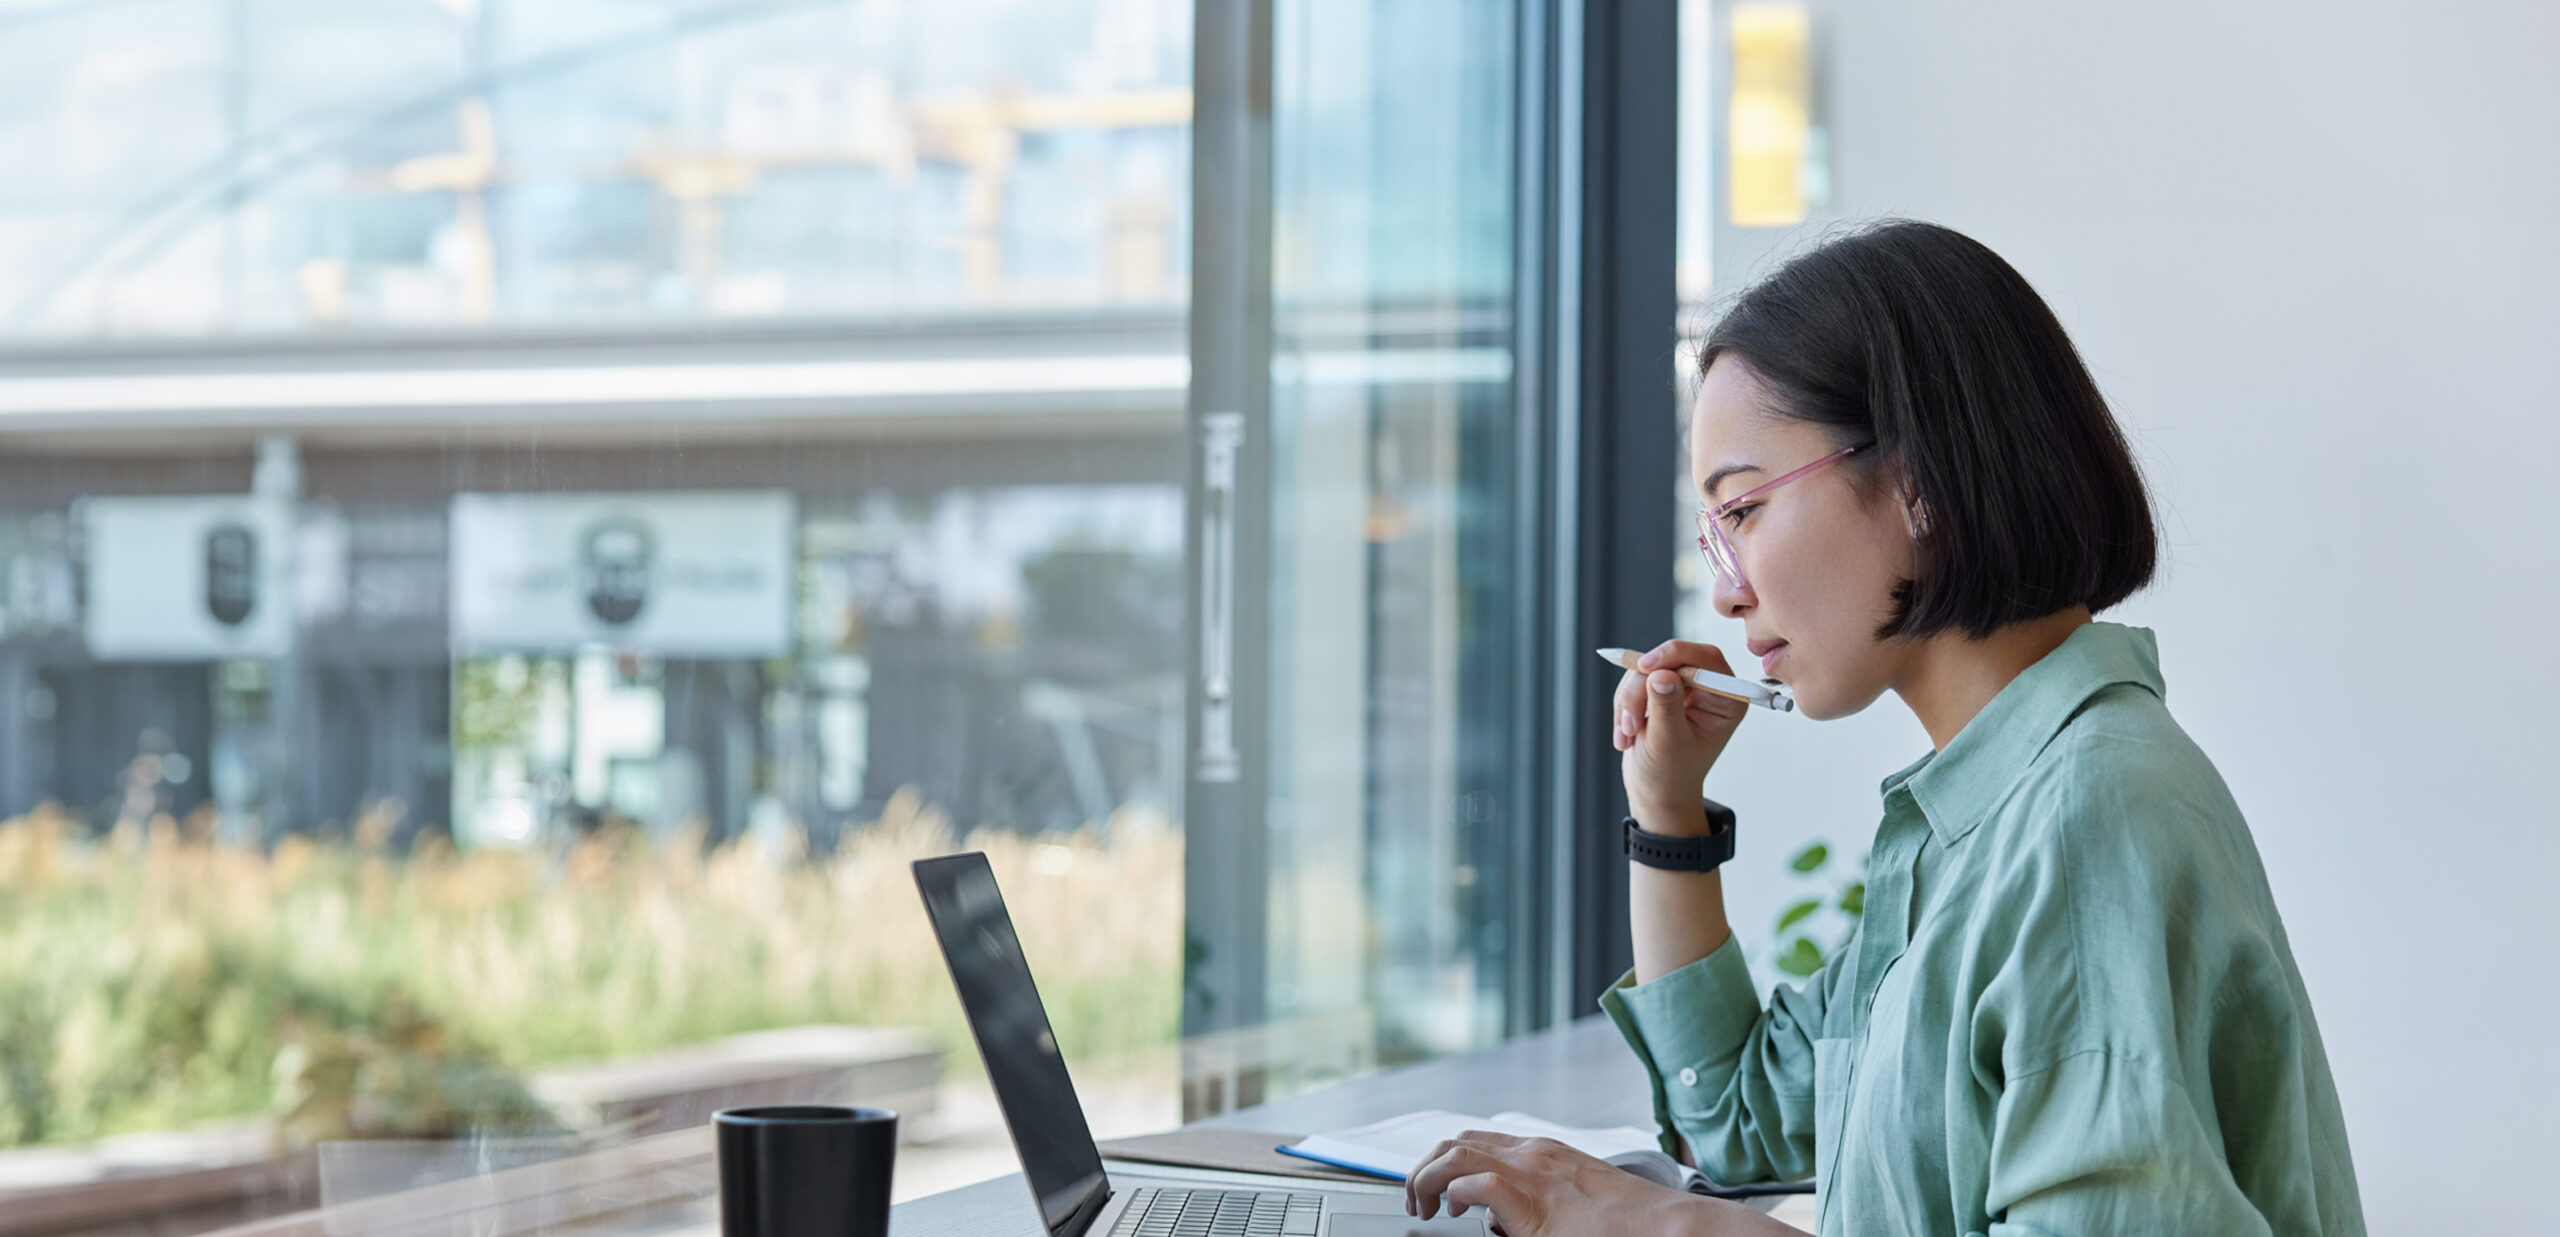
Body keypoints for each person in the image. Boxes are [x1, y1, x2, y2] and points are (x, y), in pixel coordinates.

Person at [1403, 221, 2364, 1235]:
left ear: (1917, 484)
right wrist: (1667, 812)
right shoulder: (1980, 817)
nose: (1725, 594)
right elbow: (1735, 1122)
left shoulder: (2090, 822)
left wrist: (1661, 1224)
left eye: (1743, 513)